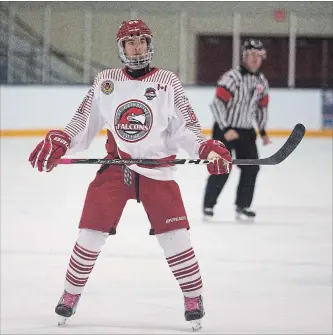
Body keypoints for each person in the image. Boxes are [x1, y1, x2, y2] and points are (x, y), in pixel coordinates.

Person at [28, 19, 232, 331]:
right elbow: (83, 121)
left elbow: (186, 127)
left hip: (157, 171)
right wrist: (63, 140)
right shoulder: (106, 81)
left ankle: (194, 297)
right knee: (89, 235)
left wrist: (206, 148)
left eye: (141, 40)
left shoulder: (167, 81)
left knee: (175, 240)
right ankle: (70, 295)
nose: (136, 46)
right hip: (117, 168)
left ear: (150, 45)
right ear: (121, 48)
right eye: (130, 41)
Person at [203, 38, 271, 222]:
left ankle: (243, 206)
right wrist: (226, 129)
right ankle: (208, 205)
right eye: (251, 56)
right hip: (224, 129)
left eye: (259, 56)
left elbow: (261, 108)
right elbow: (216, 105)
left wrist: (262, 131)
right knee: (221, 168)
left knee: (252, 169)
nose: (255, 60)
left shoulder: (262, 82)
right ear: (244, 57)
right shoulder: (232, 78)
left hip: (246, 131)